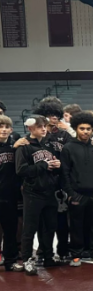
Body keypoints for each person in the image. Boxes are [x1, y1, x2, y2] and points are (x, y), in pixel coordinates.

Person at [15, 116, 61, 275]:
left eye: (44, 126)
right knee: (30, 228)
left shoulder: (49, 145)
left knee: (49, 226)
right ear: (30, 128)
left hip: (49, 192)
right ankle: (27, 259)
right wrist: (43, 165)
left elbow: (54, 166)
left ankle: (48, 256)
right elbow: (21, 170)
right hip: (32, 193)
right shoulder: (24, 146)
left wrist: (57, 165)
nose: (43, 129)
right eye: (39, 126)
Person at [61, 111, 93, 266]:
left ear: (92, 130)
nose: (85, 131)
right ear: (76, 129)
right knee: (76, 227)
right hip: (77, 194)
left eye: (88, 129)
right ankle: (76, 254)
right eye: (82, 128)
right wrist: (71, 194)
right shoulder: (68, 148)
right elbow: (64, 173)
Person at [34, 98, 72, 262]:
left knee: (62, 221)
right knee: (45, 222)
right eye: (49, 115)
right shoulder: (38, 136)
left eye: (56, 115)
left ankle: (63, 250)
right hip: (43, 183)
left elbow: (73, 156)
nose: (53, 118)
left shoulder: (65, 135)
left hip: (61, 184)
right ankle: (44, 252)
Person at [0, 116, 27, 271]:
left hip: (10, 196)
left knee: (10, 230)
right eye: (0, 126)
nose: (3, 129)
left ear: (11, 129)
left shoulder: (15, 146)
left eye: (6, 127)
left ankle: (10, 261)